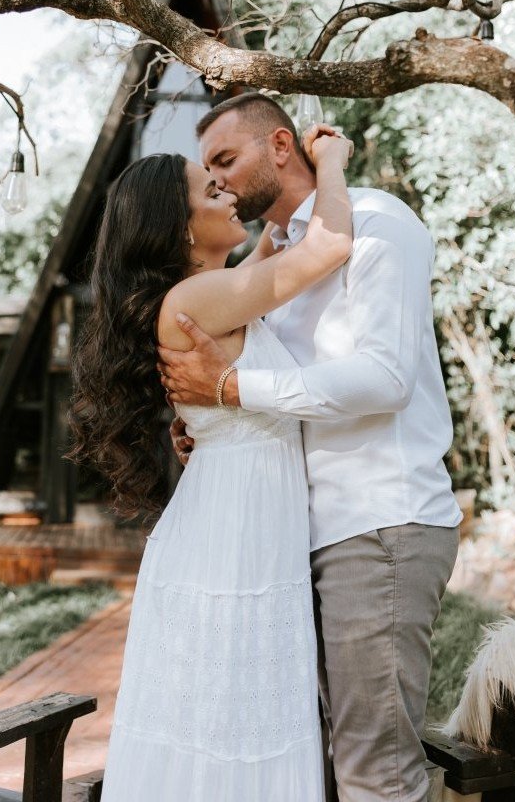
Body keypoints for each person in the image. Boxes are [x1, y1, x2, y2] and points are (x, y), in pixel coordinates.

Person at [159, 91, 463, 802]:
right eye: (208, 171)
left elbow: (385, 379)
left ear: (281, 145)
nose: (219, 180)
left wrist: (233, 391)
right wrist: (208, 423)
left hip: (377, 523)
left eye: (225, 159)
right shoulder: (271, 264)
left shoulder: (378, 222)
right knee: (318, 761)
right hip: (297, 538)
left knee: (374, 770)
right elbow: (290, 387)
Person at [70, 127, 353, 801]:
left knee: (233, 706)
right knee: (230, 708)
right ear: (179, 226)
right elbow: (328, 247)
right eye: (211, 188)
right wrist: (334, 160)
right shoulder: (194, 300)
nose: (227, 193)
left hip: (237, 510)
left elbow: (272, 254)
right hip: (233, 530)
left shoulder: (215, 290)